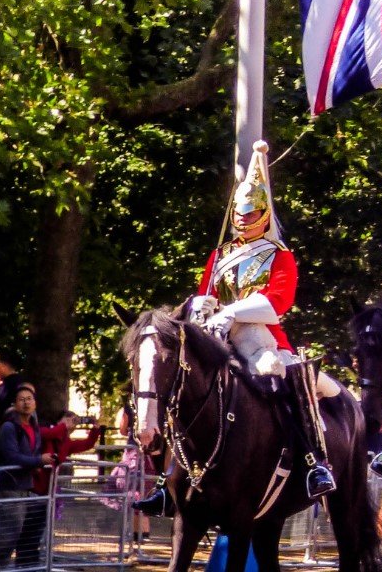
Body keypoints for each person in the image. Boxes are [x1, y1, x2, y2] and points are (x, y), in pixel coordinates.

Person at [137, 140, 338, 515]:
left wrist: (235, 312)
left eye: (251, 214)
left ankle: (313, 463)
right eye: (239, 213)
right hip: (214, 335)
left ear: (264, 213)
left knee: (275, 374)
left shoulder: (279, 255)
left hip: (257, 336)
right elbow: (205, 293)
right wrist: (202, 305)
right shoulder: (220, 255)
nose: (243, 220)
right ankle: (168, 481)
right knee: (182, 385)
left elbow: (279, 301)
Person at [0, 385, 54, 570]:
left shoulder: (34, 427)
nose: (26, 403)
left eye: (29, 399)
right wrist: (38, 461)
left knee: (19, 530)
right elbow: (12, 456)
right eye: (21, 399)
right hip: (9, 485)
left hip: (26, 486)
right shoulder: (9, 428)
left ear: (35, 403)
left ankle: (9, 565)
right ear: (14, 404)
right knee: (8, 533)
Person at [33, 414, 100, 496]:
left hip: (48, 488)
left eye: (74, 422)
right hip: (33, 484)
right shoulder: (43, 429)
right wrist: (64, 426)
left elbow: (87, 444)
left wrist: (95, 430)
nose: (72, 424)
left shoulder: (66, 442)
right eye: (70, 420)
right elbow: (50, 434)